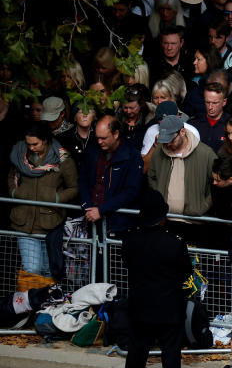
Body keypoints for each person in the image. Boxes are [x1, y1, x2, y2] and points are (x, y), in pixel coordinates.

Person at [120, 188, 197, 368]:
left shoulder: (130, 239)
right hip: (168, 307)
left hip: (140, 305)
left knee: (137, 352)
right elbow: (186, 271)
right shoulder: (174, 242)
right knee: (170, 353)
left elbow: (127, 264)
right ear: (162, 217)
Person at [9, 124, 79, 277]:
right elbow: (11, 177)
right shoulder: (20, 154)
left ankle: (44, 301)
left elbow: (74, 187)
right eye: (28, 144)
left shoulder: (63, 159)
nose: (31, 148)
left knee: (48, 272)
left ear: (45, 140)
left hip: (50, 223)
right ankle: (29, 300)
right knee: (32, 269)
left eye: (35, 144)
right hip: (24, 222)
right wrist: (15, 193)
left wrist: (56, 198)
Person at [80, 116, 144, 234]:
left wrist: (102, 210)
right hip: (90, 218)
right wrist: (87, 205)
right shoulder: (92, 151)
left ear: (116, 134)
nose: (99, 142)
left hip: (118, 224)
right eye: (97, 138)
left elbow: (131, 191)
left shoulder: (132, 156)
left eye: (103, 138)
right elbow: (83, 180)